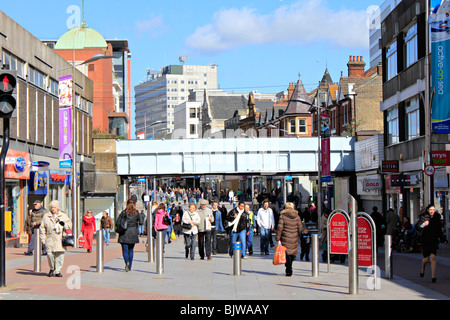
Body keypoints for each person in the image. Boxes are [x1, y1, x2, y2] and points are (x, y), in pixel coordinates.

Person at [39, 200, 72, 277]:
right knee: (49, 254)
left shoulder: (63, 215)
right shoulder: (46, 216)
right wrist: (43, 238)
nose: (53, 209)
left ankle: (58, 271)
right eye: (52, 207)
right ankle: (52, 268)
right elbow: (42, 228)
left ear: (58, 208)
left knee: (60, 255)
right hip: (50, 238)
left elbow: (69, 225)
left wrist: (63, 224)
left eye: (55, 207)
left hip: (60, 238)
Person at [417, 204, 448, 283]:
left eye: (433, 209)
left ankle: (433, 276)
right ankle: (423, 267)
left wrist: (443, 239)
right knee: (426, 259)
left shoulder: (437, 218)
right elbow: (418, 227)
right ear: (427, 210)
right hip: (425, 240)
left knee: (433, 257)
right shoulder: (423, 217)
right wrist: (424, 224)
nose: (432, 211)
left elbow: (439, 230)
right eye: (430, 209)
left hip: (434, 240)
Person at [117, 199, 144, 272]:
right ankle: (130, 266)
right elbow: (141, 222)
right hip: (133, 233)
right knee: (131, 251)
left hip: (124, 233)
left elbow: (117, 222)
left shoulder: (124, 213)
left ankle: (127, 262)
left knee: (125, 251)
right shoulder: (136, 213)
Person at [276, 202, 302, 277]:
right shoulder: (297, 216)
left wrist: (278, 238)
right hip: (294, 237)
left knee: (287, 253)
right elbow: (300, 227)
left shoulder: (283, 216)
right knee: (292, 253)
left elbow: (280, 227)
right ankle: (290, 266)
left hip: (285, 237)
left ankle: (288, 268)